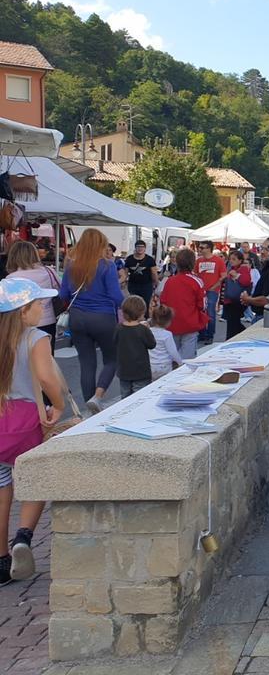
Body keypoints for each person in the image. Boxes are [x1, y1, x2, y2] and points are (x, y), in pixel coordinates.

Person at [0, 278, 65, 585]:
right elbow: (46, 377)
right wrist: (59, 404)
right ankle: (23, 536)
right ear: (23, 310)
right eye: (38, 303)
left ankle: (1, 561)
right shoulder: (35, 338)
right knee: (38, 476)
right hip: (26, 420)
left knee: (1, 488)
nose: (44, 307)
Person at [59, 228, 125, 413]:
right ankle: (98, 396)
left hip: (77, 317)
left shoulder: (71, 264)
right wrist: (133, 307)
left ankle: (88, 407)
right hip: (103, 317)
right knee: (112, 359)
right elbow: (115, 295)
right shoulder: (107, 265)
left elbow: (64, 293)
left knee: (86, 363)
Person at [159, 249, 210, 359]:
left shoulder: (170, 281)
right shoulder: (196, 281)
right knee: (187, 359)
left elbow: (163, 301)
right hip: (190, 323)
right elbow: (203, 305)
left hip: (172, 323)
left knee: (172, 357)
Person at [4, 241, 59, 338]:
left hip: (21, 324)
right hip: (48, 321)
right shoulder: (49, 272)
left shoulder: (10, 279)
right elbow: (60, 290)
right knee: (46, 351)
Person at [114, 295, 156, 397]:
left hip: (124, 370)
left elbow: (114, 342)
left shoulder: (118, 328)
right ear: (141, 313)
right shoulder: (142, 329)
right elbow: (152, 344)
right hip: (141, 371)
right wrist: (148, 330)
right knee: (140, 397)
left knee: (125, 397)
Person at [194, 241, 225, 345]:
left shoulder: (218, 261)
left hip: (212, 291)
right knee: (200, 311)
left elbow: (223, 275)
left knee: (210, 312)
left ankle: (210, 335)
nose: (200, 249)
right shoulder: (199, 261)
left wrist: (214, 287)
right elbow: (195, 274)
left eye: (202, 247)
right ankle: (202, 333)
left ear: (209, 249)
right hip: (201, 290)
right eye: (200, 247)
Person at [222, 251, 253, 340]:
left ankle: (231, 339)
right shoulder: (232, 268)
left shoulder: (243, 269)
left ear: (240, 260)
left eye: (234, 259)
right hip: (231, 300)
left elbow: (246, 281)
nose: (231, 261)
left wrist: (236, 276)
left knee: (233, 323)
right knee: (233, 322)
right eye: (230, 259)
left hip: (235, 300)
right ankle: (244, 336)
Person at [148, 304, 184, 379]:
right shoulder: (167, 335)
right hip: (164, 365)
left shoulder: (148, 332)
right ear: (168, 321)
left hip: (150, 365)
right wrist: (180, 363)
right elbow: (173, 351)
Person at [123, 240, 158, 316]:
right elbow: (125, 273)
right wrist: (122, 281)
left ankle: (144, 319)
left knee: (146, 304)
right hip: (133, 285)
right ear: (135, 248)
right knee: (133, 304)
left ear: (145, 248)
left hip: (146, 285)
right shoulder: (129, 259)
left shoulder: (150, 260)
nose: (140, 248)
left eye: (142, 247)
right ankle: (133, 318)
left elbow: (154, 273)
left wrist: (156, 283)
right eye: (138, 247)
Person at [241, 238, 269, 319]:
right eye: (262, 248)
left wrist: (248, 299)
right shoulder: (267, 267)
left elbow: (267, 299)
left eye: (267, 249)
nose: (262, 252)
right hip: (261, 314)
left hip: (266, 316)